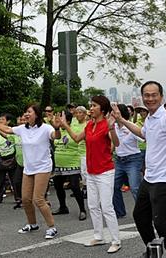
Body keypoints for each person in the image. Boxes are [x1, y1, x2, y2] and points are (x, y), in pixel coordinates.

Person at [112, 81, 166, 258]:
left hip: (165, 179)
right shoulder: (150, 118)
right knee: (140, 216)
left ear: (161, 97)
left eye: (154, 95)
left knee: (162, 224)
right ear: (142, 97)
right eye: (147, 95)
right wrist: (121, 120)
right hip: (150, 177)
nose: (150, 98)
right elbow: (142, 133)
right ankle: (153, 250)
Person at [0, 104, 61, 240]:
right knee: (26, 199)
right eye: (25, 112)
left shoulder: (46, 128)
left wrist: (57, 128)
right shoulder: (22, 129)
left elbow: (55, 136)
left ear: (36, 114)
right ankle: (32, 224)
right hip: (29, 168)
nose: (26, 114)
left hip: (43, 167)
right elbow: (7, 129)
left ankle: (52, 227)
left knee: (38, 199)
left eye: (29, 112)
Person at [62, 95, 122, 254]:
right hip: (91, 171)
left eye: (94, 105)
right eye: (91, 105)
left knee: (107, 207)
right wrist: (64, 125)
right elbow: (75, 139)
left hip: (105, 171)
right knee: (93, 205)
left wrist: (111, 128)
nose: (91, 108)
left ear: (102, 109)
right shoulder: (89, 125)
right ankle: (99, 236)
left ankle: (116, 240)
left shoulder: (106, 124)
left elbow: (116, 143)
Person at [52, 110, 87, 221]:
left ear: (67, 120)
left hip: (72, 162)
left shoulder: (75, 129)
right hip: (59, 164)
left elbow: (77, 140)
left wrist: (66, 127)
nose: (58, 121)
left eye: (60, 119)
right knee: (58, 186)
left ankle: (82, 210)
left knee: (75, 187)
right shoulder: (57, 131)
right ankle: (63, 207)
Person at [112, 104, 143, 218]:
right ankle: (119, 212)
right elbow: (114, 143)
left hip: (133, 160)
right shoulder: (113, 127)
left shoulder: (131, 127)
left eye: (116, 111)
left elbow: (143, 137)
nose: (113, 114)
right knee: (114, 186)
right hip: (119, 160)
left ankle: (143, 213)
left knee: (135, 188)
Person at [0, 113, 17, 205]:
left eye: (3, 119)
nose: (0, 121)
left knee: (15, 180)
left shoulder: (13, 131)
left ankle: (18, 197)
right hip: (1, 158)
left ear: (8, 121)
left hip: (12, 157)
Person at [73, 106, 88, 198]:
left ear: (85, 114)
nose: (78, 114)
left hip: (84, 152)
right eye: (77, 113)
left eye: (80, 112)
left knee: (84, 172)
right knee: (77, 173)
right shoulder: (73, 123)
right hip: (74, 152)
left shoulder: (87, 124)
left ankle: (86, 189)